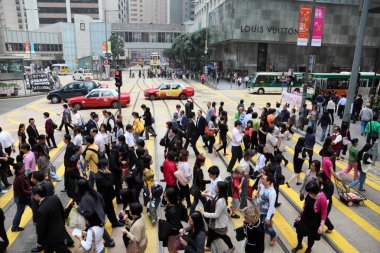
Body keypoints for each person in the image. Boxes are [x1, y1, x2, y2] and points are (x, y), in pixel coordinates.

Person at [75, 178, 115, 248]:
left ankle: (89, 244)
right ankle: (109, 241)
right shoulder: (93, 192)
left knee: (92, 231)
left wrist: (77, 208)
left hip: (93, 219)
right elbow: (102, 201)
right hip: (99, 215)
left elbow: (86, 212)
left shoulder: (85, 198)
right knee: (101, 228)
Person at [292, 180, 328, 253]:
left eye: (309, 191)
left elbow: (324, 212)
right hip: (305, 216)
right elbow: (306, 202)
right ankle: (299, 245)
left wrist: (321, 226)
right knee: (299, 232)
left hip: (314, 220)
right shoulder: (309, 192)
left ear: (314, 190)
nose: (308, 192)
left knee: (311, 237)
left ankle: (309, 249)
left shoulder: (322, 198)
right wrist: (301, 212)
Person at [32, 185, 71, 253]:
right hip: (60, 231)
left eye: (33, 195)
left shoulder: (41, 210)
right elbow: (62, 213)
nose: (32, 196)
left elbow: (41, 229)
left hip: (53, 238)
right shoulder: (55, 198)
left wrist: (39, 242)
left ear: (37, 195)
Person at [201, 181, 234, 253]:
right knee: (210, 232)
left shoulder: (221, 201)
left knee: (223, 236)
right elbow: (214, 197)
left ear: (219, 189)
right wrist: (207, 194)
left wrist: (204, 213)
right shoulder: (218, 195)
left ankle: (231, 247)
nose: (215, 187)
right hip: (214, 222)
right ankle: (208, 246)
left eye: (216, 186)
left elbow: (216, 215)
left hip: (219, 223)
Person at [95, 159, 123, 228]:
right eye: (108, 164)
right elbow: (110, 184)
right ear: (105, 166)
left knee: (109, 210)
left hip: (108, 195)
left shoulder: (102, 173)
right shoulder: (99, 176)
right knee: (110, 210)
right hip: (105, 197)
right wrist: (109, 174)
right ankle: (114, 223)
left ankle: (114, 222)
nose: (109, 165)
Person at [256, 172, 277, 246]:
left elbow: (271, 206)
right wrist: (257, 204)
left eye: (263, 179)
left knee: (265, 229)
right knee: (260, 225)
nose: (262, 180)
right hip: (260, 210)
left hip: (267, 213)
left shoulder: (272, 192)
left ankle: (273, 235)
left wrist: (268, 218)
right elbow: (260, 196)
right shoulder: (262, 185)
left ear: (268, 182)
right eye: (262, 178)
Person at [11, 162, 32, 232]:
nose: (25, 168)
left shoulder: (21, 175)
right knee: (20, 212)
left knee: (21, 211)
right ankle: (14, 227)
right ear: (18, 170)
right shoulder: (19, 178)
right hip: (21, 198)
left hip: (22, 197)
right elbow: (22, 191)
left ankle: (15, 226)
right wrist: (31, 192)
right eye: (23, 168)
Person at [164, 187, 184, 253]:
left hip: (173, 234)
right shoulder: (177, 202)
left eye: (165, 196)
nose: (164, 197)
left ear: (170, 197)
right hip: (175, 231)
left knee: (172, 250)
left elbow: (175, 227)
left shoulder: (173, 211)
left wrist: (163, 223)